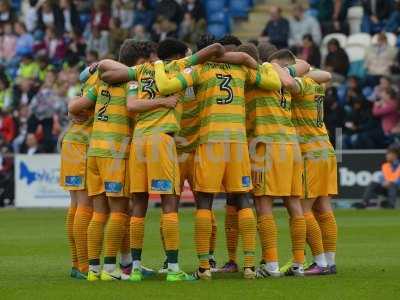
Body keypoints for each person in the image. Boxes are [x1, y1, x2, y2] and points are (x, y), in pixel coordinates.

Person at [99, 39, 226, 282]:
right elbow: (214, 48)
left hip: (138, 142)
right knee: (169, 202)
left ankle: (135, 268)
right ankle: (173, 268)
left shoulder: (141, 70)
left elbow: (109, 75)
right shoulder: (179, 67)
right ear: (178, 55)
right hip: (161, 140)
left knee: (138, 204)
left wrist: (97, 69)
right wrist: (201, 57)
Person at [154, 41, 282, 280]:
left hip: (211, 142)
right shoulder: (242, 69)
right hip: (237, 143)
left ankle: (204, 267)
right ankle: (250, 266)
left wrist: (161, 65)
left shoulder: (202, 69)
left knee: (204, 202)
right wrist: (250, 61)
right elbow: (274, 82)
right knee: (244, 199)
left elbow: (165, 85)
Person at [68, 41, 137, 282]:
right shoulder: (132, 83)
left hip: (94, 149)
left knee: (95, 211)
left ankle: (91, 268)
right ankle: (107, 268)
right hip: (111, 151)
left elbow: (75, 103)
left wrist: (72, 110)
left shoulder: (98, 81)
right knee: (117, 210)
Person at [243, 48, 310, 277]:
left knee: (263, 205)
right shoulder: (285, 77)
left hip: (268, 146)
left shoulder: (260, 73)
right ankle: (298, 264)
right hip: (291, 145)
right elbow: (304, 65)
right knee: (294, 205)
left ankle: (271, 265)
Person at [291, 70, 338, 275]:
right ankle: (329, 261)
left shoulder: (303, 85)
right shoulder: (318, 86)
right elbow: (325, 76)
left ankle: (320, 263)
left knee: (302, 209)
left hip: (310, 152)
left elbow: (289, 82)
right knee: (323, 207)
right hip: (326, 148)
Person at [59, 64, 98, 279]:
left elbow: (73, 106)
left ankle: (77, 264)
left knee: (76, 205)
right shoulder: (101, 83)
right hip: (81, 145)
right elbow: (73, 107)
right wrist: (72, 109)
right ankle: (83, 265)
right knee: (85, 205)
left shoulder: (88, 82)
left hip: (72, 143)